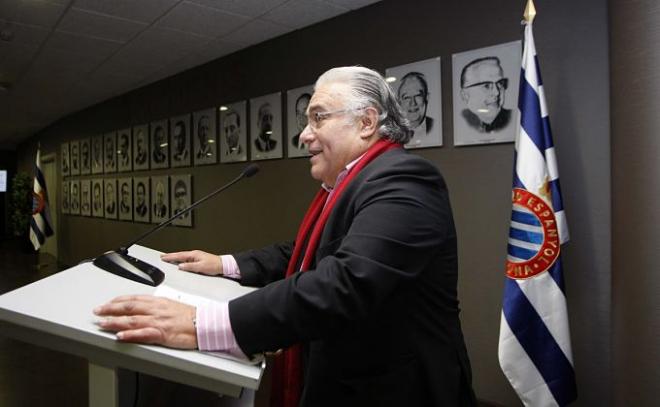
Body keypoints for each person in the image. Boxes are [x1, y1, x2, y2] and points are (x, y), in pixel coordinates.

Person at [94, 66, 476, 406]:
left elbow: (345, 281)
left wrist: (203, 324)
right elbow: (306, 253)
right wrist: (225, 264)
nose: (304, 135)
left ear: (366, 122)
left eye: (318, 118)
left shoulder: (404, 180)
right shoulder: (356, 180)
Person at [459, 56, 511, 133]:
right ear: (465, 95)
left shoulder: (513, 118)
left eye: (500, 83)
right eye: (486, 86)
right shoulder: (462, 122)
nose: (496, 92)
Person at [397, 72, 434, 142]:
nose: (413, 103)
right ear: (399, 102)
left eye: (417, 95)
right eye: (407, 97)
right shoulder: (394, 133)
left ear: (427, 97)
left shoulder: (434, 126)